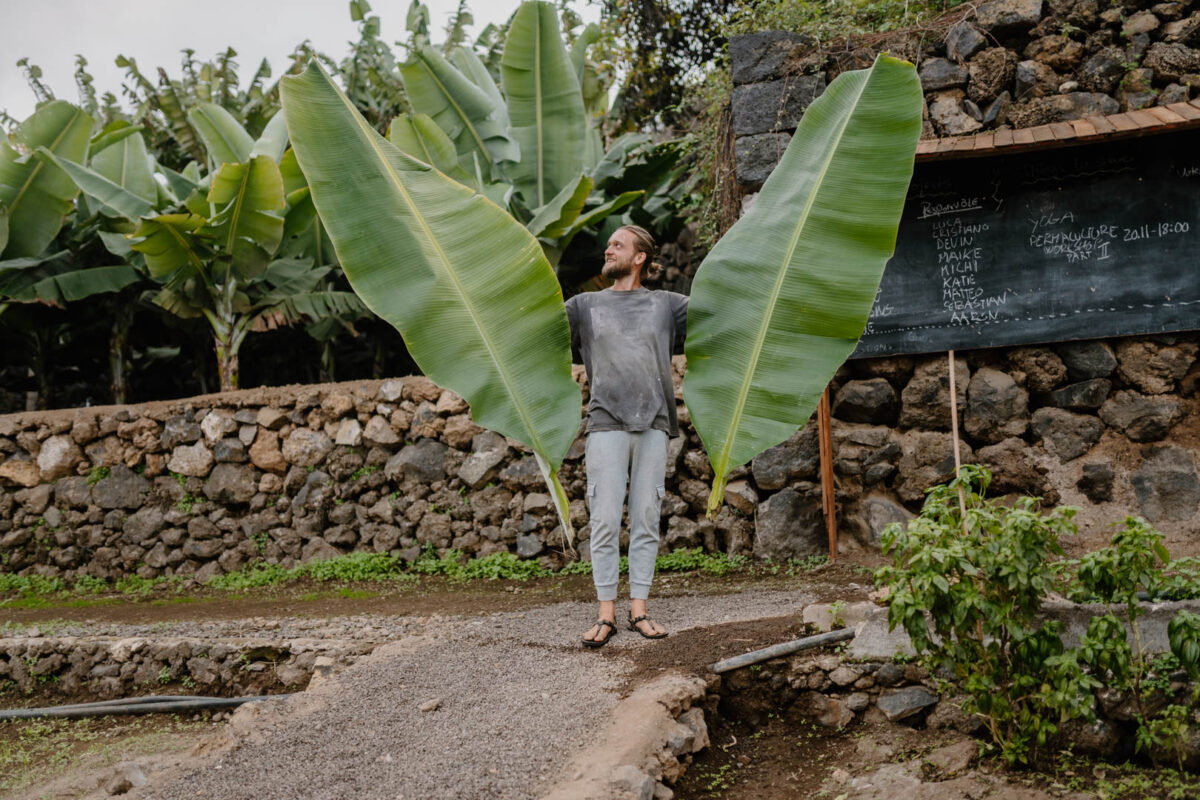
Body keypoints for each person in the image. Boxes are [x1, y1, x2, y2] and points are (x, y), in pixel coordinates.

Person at [564, 225, 688, 648]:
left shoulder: (666, 305)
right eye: (609, 244)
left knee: (646, 520)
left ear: (639, 258)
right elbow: (534, 338)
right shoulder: (584, 305)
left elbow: (726, 318)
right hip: (605, 424)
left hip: (654, 424)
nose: (608, 248)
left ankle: (639, 610)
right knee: (602, 521)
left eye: (618, 244)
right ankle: (606, 615)